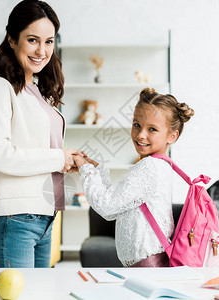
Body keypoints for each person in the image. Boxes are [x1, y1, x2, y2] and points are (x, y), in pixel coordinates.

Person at [0, 0, 77, 268]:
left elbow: (37, 148)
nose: (42, 51)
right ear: (12, 39)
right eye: (33, 40)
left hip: (44, 217)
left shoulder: (38, 92)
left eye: (48, 41)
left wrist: (69, 160)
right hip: (15, 219)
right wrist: (59, 158)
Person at [73, 88, 195, 267]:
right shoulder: (158, 164)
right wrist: (95, 169)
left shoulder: (149, 167)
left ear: (172, 136)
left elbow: (106, 206)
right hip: (147, 262)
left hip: (147, 266)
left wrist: (85, 169)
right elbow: (115, 207)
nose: (140, 134)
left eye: (152, 129)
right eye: (136, 124)